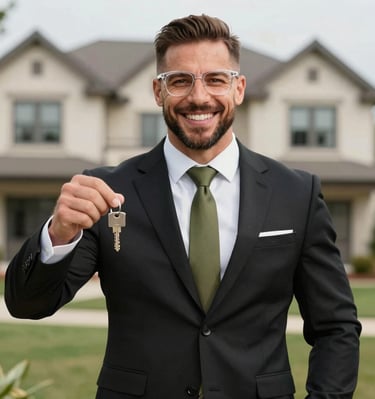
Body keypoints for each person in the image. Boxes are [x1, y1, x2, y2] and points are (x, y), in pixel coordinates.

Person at [5, 14, 361, 399]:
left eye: (215, 79)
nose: (199, 96)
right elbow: (29, 305)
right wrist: (58, 235)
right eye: (179, 81)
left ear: (238, 88)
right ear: (158, 93)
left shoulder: (297, 193)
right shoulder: (107, 192)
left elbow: (336, 327)